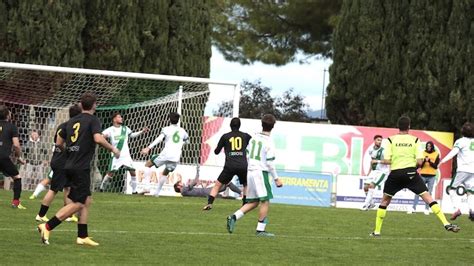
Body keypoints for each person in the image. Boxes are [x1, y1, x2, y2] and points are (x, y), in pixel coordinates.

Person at [37, 93, 120, 246]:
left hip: (69, 164)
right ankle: (47, 226)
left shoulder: (71, 121)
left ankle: (82, 236)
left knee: (86, 200)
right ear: (94, 105)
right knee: (79, 203)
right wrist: (113, 149)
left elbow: (59, 141)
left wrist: (67, 150)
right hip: (81, 167)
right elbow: (97, 138)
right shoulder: (93, 120)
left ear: (81, 105)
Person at [370, 116, 460, 237]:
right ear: (409, 127)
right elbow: (419, 162)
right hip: (411, 173)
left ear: (398, 127)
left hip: (396, 174)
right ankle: (445, 223)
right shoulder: (415, 140)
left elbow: (386, 160)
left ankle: (377, 231)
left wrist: (396, 160)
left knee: (385, 201)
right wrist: (410, 165)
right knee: (428, 198)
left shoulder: (390, 140)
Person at [226, 114, 283, 237]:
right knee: (265, 200)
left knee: (254, 202)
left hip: (250, 171)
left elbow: (247, 154)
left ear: (262, 124)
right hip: (260, 173)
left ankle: (233, 217)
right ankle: (260, 230)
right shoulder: (269, 142)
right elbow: (270, 163)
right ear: (273, 126)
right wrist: (276, 178)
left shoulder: (253, 139)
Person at [35, 104, 82, 223]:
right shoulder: (74, 127)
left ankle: (69, 215)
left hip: (58, 159)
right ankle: (41, 215)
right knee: (54, 189)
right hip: (62, 162)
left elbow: (56, 141)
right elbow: (62, 144)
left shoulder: (62, 126)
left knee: (68, 188)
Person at [203, 117, 251, 210]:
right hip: (242, 165)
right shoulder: (245, 136)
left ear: (230, 126)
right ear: (240, 126)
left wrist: (221, 147)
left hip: (230, 166)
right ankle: (245, 204)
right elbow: (253, 142)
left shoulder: (225, 136)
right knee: (246, 184)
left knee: (217, 185)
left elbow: (216, 151)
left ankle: (209, 203)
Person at [140, 112, 188, 197]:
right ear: (178, 120)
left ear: (169, 119)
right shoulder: (183, 131)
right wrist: (180, 144)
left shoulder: (166, 129)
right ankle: (157, 193)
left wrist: (148, 147)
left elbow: (159, 139)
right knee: (165, 173)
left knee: (147, 165)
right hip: (175, 157)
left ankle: (147, 187)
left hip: (166, 154)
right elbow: (187, 141)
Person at [99, 112, 149, 193]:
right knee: (110, 173)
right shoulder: (110, 130)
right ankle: (101, 189)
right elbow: (101, 137)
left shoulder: (125, 129)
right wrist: (109, 148)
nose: (121, 118)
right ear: (114, 119)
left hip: (126, 156)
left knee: (132, 171)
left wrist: (142, 131)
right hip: (116, 155)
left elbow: (132, 135)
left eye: (121, 117)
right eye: (119, 117)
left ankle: (134, 191)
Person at [439, 122, 474, 221]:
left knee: (451, 188)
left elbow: (453, 152)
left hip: (463, 170)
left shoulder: (460, 141)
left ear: (462, 131)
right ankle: (472, 211)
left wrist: (442, 161)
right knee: (471, 192)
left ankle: (457, 208)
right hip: (473, 171)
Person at [0, 105, 26, 209]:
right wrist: (18, 157)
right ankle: (16, 202)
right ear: (7, 115)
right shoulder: (12, 127)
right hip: (3, 157)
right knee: (17, 177)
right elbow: (16, 145)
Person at [408, 141, 439, 215]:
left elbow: (436, 166)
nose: (428, 147)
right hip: (422, 175)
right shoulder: (422, 153)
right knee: (418, 192)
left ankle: (427, 209)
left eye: (430, 146)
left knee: (429, 193)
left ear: (432, 146)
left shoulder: (436, 154)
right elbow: (420, 166)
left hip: (432, 176)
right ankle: (414, 208)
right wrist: (424, 161)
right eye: (427, 146)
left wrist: (430, 162)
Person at [361, 135, 390, 211]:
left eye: (381, 140)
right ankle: (372, 203)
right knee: (366, 187)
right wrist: (369, 171)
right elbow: (372, 162)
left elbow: (389, 161)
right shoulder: (371, 150)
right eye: (378, 140)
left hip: (383, 172)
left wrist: (378, 161)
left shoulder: (383, 151)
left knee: (372, 185)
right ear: (374, 140)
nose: (379, 142)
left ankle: (365, 205)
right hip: (374, 171)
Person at [174, 172, 242, 197]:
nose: (181, 182)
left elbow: (193, 184)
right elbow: (194, 183)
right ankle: (241, 194)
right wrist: (197, 173)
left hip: (206, 191)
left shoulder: (184, 192)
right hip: (206, 192)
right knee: (227, 184)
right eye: (179, 182)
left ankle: (240, 194)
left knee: (227, 184)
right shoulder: (183, 190)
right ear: (178, 186)